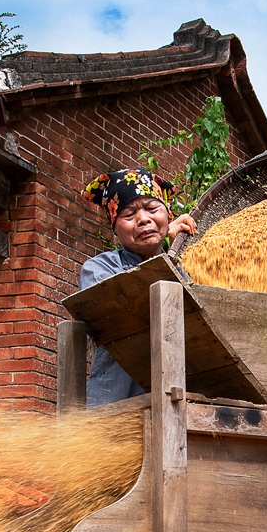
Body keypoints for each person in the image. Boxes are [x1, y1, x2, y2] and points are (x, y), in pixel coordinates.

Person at [78, 168, 197, 405]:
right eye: (129, 214)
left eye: (152, 209)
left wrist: (170, 253)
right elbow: (130, 311)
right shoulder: (99, 269)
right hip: (113, 404)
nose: (143, 219)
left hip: (175, 402)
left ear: (168, 215)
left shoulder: (185, 271)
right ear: (115, 227)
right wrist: (166, 252)